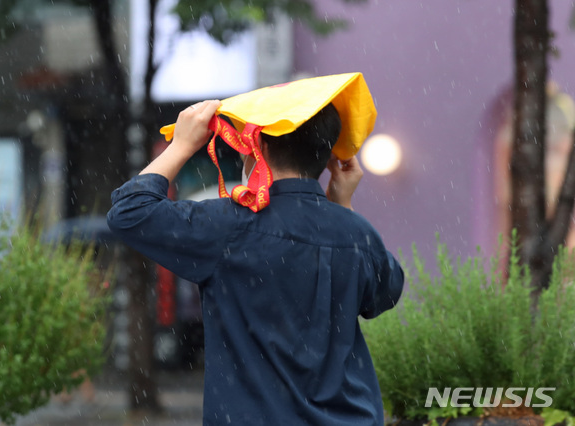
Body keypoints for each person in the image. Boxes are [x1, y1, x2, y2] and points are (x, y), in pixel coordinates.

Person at [107, 99, 404, 425]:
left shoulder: (229, 226)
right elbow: (385, 294)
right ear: (329, 155)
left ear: (257, 144)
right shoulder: (356, 233)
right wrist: (343, 205)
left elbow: (128, 212)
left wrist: (180, 146)